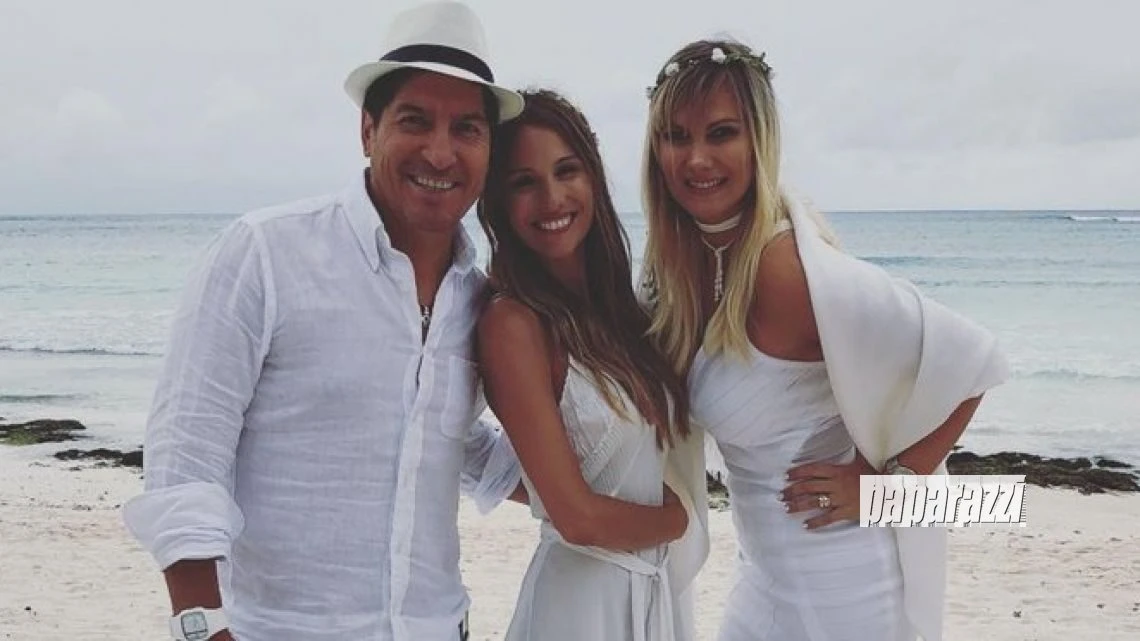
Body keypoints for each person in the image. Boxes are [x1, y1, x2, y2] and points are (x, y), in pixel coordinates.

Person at [121, 3, 528, 640]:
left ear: (488, 149)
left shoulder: (479, 300)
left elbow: (449, 436)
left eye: (466, 129)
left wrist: (616, 474)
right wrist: (202, 628)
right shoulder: (265, 255)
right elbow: (186, 456)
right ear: (368, 130)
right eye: (414, 121)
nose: (440, 152)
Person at [639, 39, 1010, 641]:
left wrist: (884, 488)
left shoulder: (783, 268)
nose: (696, 158)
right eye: (676, 136)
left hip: (845, 593)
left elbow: (975, 361)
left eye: (721, 133)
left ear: (760, 140)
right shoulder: (681, 272)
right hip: (762, 581)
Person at [475, 89, 709, 641]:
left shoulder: (621, 315)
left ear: (594, 179)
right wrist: (676, 520)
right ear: (500, 202)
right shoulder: (513, 323)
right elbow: (577, 518)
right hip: (579, 606)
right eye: (524, 182)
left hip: (650, 590)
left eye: (566, 171)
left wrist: (877, 495)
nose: (552, 198)